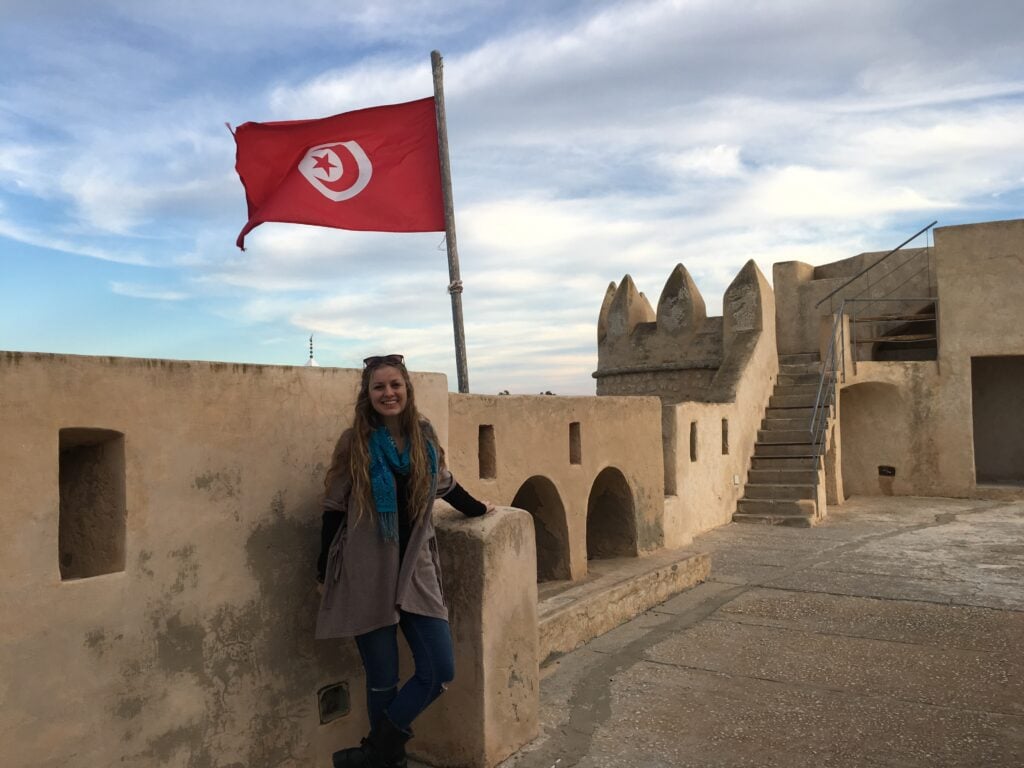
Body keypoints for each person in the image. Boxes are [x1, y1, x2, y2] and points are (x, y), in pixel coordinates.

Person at [315, 354, 492, 768]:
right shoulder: (355, 442)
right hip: (367, 570)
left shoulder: (423, 437)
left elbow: (444, 484)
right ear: (368, 394)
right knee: (383, 680)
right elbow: (334, 507)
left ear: (407, 389)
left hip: (416, 569)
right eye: (379, 387)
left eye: (395, 385)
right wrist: (323, 568)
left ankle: (372, 752)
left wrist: (479, 509)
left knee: (438, 670)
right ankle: (387, 762)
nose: (388, 393)